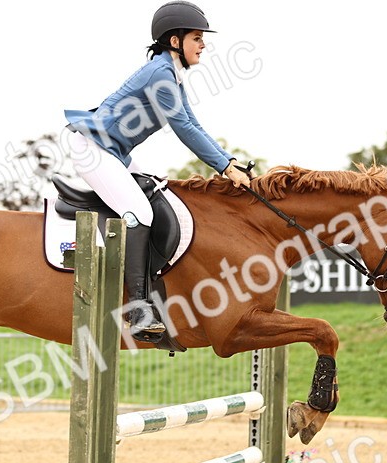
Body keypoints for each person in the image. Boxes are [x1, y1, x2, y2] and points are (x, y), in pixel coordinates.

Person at [63, 1, 251, 342]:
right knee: (140, 214)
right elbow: (184, 130)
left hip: (112, 151)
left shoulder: (171, 76)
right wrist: (224, 166)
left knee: (157, 193)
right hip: (92, 150)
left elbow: (193, 122)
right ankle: (137, 311)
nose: (203, 44)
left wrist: (230, 162)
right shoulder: (162, 75)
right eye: (197, 37)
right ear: (175, 41)